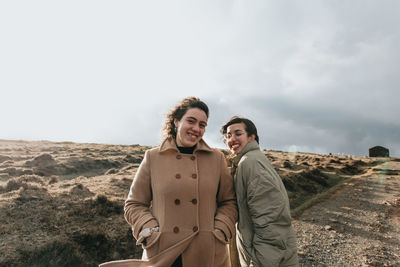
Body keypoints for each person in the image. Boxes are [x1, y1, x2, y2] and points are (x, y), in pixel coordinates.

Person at [100, 97, 237, 267]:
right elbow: (134, 204)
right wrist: (149, 230)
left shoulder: (216, 158)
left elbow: (229, 202)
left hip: (206, 252)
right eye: (191, 121)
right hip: (164, 251)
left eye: (202, 125)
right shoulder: (153, 157)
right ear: (176, 121)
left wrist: (221, 230)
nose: (196, 129)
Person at [221, 117, 299, 267]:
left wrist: (259, 261)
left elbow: (271, 220)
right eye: (228, 136)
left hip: (265, 259)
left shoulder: (250, 163)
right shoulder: (250, 160)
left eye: (238, 134)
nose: (232, 139)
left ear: (251, 137)